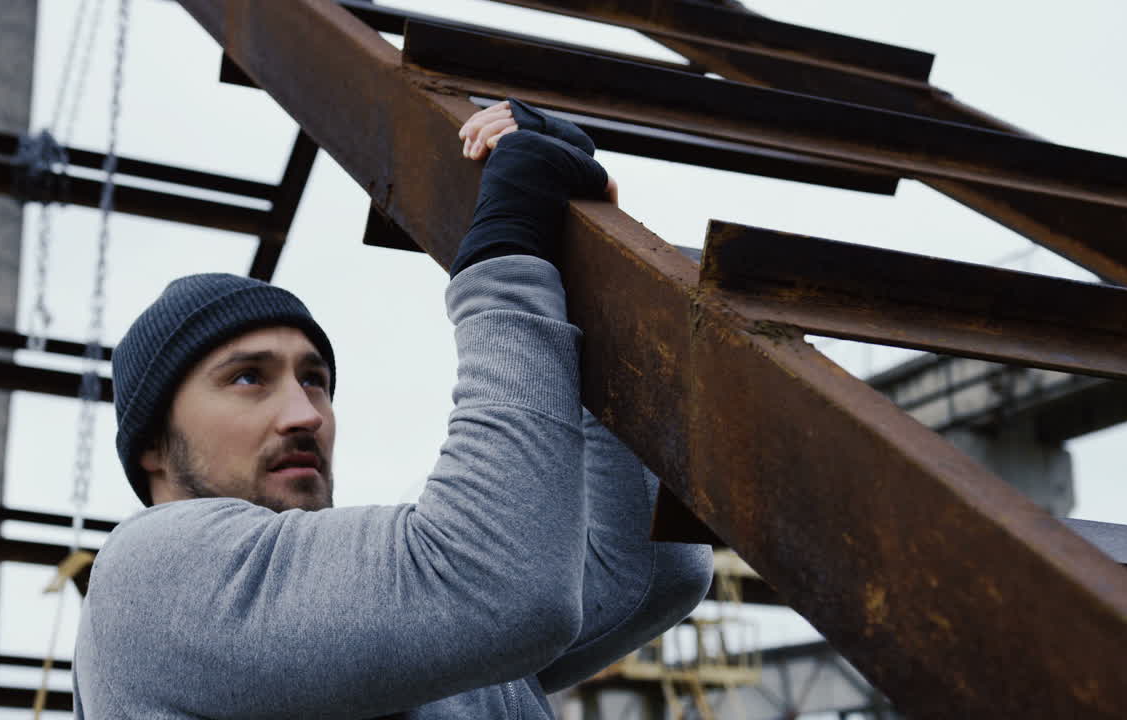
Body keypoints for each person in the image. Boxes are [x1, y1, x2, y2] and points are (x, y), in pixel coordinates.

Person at [73, 99, 713, 719]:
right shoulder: (149, 576)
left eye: (316, 380)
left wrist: (580, 278)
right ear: (153, 444)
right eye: (247, 378)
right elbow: (499, 587)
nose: (305, 414)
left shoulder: (380, 620)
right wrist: (507, 254)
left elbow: (645, 574)